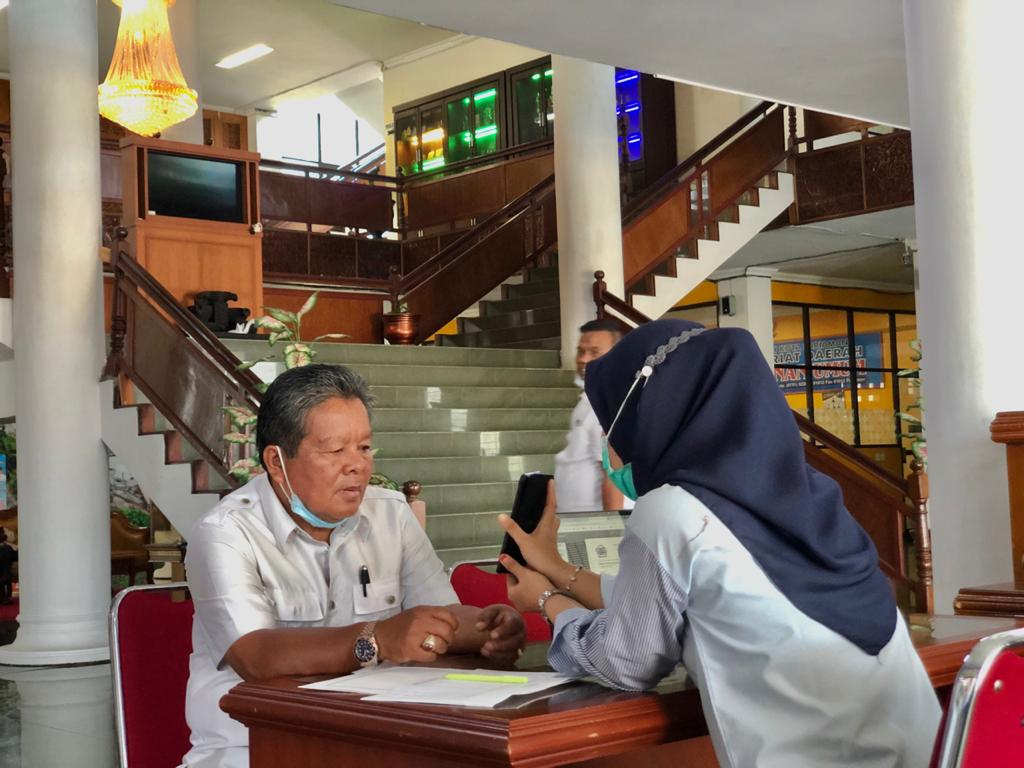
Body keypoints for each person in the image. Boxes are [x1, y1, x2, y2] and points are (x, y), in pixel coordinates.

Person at [499, 319, 940, 768]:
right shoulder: (811, 495)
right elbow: (673, 600)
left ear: (653, 415)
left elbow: (625, 661)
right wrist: (555, 567)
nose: (611, 446)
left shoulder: (671, 511)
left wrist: (548, 602)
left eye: (613, 425)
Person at [182, 364, 526, 768]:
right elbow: (255, 656)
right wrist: (376, 639)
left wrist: (488, 628)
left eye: (364, 447)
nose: (357, 465)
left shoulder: (391, 514)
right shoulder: (224, 532)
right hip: (253, 750)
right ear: (276, 461)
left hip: (377, 742)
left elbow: (441, 617)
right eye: (334, 451)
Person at [554, 319, 632, 513]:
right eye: (581, 351)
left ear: (617, 356)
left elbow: (613, 474)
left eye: (594, 352)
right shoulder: (590, 398)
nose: (583, 359)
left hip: (594, 522)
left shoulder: (610, 402)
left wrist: (610, 525)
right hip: (578, 518)